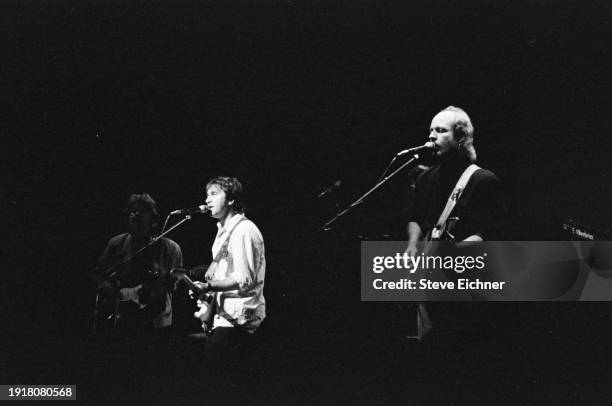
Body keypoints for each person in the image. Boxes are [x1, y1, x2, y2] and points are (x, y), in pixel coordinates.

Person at [405, 106, 508, 338]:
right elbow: (416, 218)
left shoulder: (483, 180)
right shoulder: (426, 177)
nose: (431, 136)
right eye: (430, 130)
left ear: (461, 137)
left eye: (441, 130)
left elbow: (493, 232)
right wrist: (413, 243)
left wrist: (456, 251)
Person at [192, 176, 266, 361]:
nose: (207, 200)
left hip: (238, 321)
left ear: (231, 199)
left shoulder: (244, 230)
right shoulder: (223, 233)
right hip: (224, 318)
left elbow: (242, 278)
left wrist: (208, 287)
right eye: (207, 195)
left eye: (214, 194)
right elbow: (225, 274)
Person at [93, 193, 183, 336]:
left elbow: (174, 281)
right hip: (122, 319)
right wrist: (114, 293)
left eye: (142, 211)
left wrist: (154, 291)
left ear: (152, 217)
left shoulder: (170, 248)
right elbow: (98, 273)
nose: (136, 215)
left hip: (157, 322)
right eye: (133, 211)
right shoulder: (117, 243)